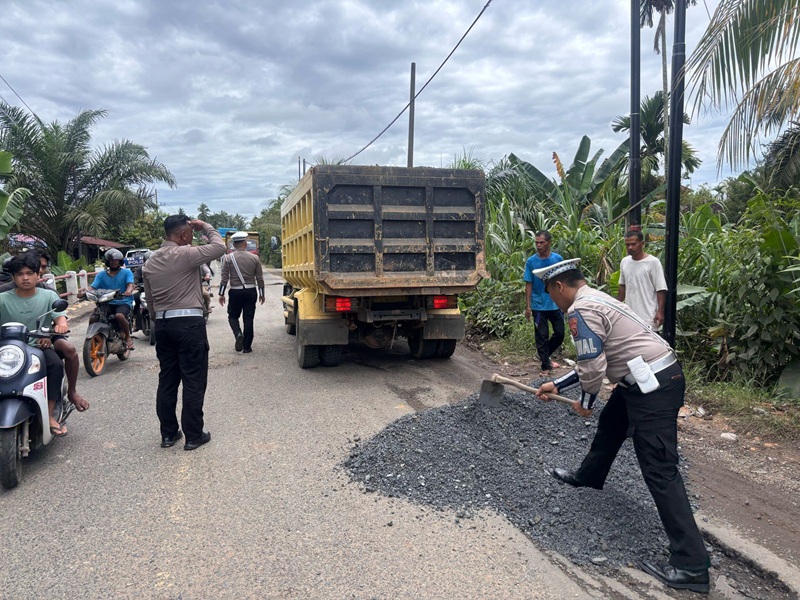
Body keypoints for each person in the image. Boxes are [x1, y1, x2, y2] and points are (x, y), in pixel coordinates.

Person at [532, 258, 710, 594]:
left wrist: (584, 403)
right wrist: (558, 385)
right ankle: (589, 476)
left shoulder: (579, 310)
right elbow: (601, 354)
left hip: (653, 386)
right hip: (643, 378)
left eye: (550, 294)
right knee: (612, 423)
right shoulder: (595, 297)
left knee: (660, 468)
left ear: (558, 287)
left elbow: (592, 363)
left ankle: (691, 565)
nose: (553, 301)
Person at [143, 215, 226, 451]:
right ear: (183, 235)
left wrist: (157, 320)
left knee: (167, 380)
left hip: (163, 325)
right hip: (189, 324)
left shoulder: (150, 263)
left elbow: (150, 300)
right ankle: (193, 435)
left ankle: (168, 435)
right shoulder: (187, 254)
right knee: (193, 379)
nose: (191, 236)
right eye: (190, 232)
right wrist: (205, 226)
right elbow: (219, 247)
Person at [0, 254, 73, 435]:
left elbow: (60, 319)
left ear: (37, 274)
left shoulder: (48, 295)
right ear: (14, 277)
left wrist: (60, 326)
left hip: (37, 347)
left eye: (30, 273)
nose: (25, 278)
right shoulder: (2, 299)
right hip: (7, 350)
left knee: (55, 365)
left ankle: (49, 414)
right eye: (20, 274)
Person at [523, 230, 564, 373]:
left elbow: (562, 281)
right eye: (536, 243)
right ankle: (546, 365)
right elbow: (529, 283)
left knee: (560, 333)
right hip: (538, 305)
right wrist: (528, 306)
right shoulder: (531, 262)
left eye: (541, 242)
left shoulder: (557, 259)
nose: (538, 245)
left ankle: (545, 355)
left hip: (555, 304)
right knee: (542, 335)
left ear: (549, 243)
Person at [218, 231, 264, 353]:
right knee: (248, 318)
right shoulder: (255, 258)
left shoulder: (228, 258)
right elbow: (259, 278)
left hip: (235, 291)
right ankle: (247, 347)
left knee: (233, 316)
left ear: (234, 244)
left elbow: (224, 278)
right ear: (245, 243)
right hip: (250, 291)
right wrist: (262, 294)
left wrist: (221, 294)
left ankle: (238, 333)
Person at [85, 248, 135, 350]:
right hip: (106, 302)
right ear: (107, 261)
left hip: (123, 301)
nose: (113, 262)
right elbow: (93, 287)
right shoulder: (101, 275)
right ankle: (91, 339)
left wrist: (128, 290)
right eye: (111, 260)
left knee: (119, 316)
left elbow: (130, 284)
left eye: (116, 260)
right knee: (94, 317)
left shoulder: (126, 272)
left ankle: (127, 337)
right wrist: (85, 292)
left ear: (120, 261)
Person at [617, 230, 667, 330]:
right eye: (627, 245)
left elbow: (661, 289)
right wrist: (616, 305)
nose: (630, 247)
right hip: (629, 317)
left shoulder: (653, 262)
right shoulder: (625, 262)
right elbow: (622, 285)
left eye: (633, 244)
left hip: (648, 317)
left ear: (642, 244)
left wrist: (660, 311)